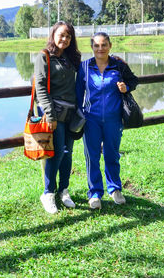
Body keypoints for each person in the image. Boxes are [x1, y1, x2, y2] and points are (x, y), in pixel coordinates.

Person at [75, 32, 138, 209]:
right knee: (92, 157)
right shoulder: (85, 67)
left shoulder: (118, 65)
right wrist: (79, 114)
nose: (100, 49)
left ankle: (115, 189)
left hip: (114, 118)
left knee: (112, 154)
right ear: (92, 47)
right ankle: (95, 193)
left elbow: (134, 81)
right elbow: (79, 92)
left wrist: (126, 87)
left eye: (104, 45)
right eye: (96, 45)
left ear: (110, 45)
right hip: (91, 119)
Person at [33, 21, 81, 214]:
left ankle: (64, 190)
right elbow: (41, 88)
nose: (65, 39)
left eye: (68, 36)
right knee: (55, 154)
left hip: (71, 113)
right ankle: (48, 193)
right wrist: (50, 115)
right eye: (62, 35)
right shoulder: (44, 57)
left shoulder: (71, 59)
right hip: (53, 114)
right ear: (53, 35)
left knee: (68, 154)